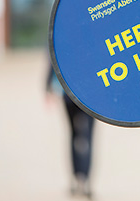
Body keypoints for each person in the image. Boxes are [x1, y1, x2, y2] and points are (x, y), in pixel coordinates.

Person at [46, 65, 95, 199]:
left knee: (74, 135)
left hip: (69, 92)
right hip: (90, 95)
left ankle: (78, 179)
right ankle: (83, 179)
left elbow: (53, 61)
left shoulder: (60, 43)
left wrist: (47, 87)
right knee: (87, 136)